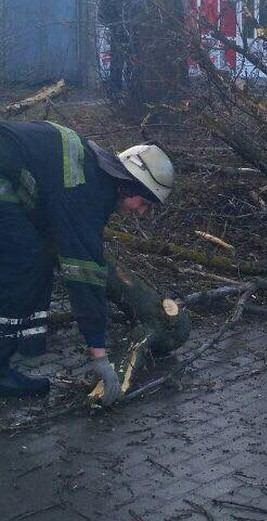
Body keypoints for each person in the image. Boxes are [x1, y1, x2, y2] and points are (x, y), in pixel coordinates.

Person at [0, 120, 174, 404]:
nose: (140, 213)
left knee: (33, 256)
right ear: (130, 186)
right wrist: (100, 356)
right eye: (143, 204)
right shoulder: (88, 194)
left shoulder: (94, 174)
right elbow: (84, 275)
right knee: (25, 263)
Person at [98, 0, 138, 95]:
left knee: (133, 64)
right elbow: (102, 16)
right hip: (118, 36)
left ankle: (132, 91)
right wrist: (115, 27)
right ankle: (116, 92)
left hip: (133, 36)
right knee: (117, 64)